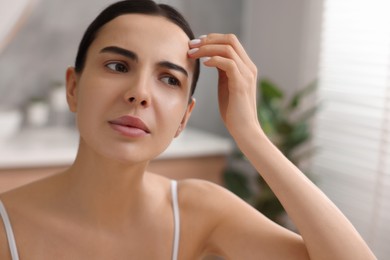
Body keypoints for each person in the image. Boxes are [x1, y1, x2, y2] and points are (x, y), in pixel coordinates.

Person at [0, 0, 376, 259]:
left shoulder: (200, 212)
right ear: (73, 88)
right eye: (118, 66)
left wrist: (252, 136)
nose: (139, 94)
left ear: (183, 118)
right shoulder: (7, 226)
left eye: (168, 79)